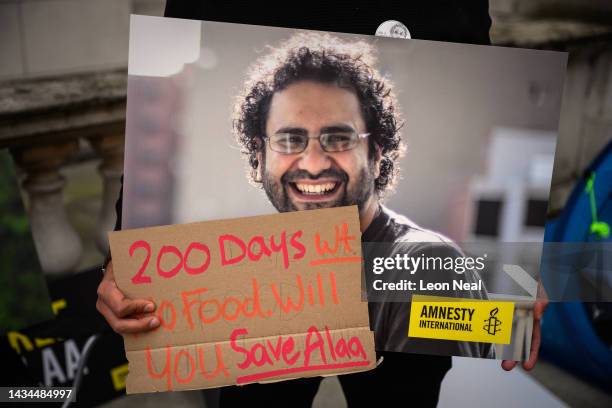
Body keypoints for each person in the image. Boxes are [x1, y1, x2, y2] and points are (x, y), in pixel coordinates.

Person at [97, 2, 548, 407]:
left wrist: (521, 268)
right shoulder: (246, 273)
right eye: (291, 139)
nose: (313, 163)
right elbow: (165, 62)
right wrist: (128, 245)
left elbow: (471, 41)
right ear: (259, 156)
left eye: (338, 137)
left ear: (377, 152)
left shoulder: (427, 266)